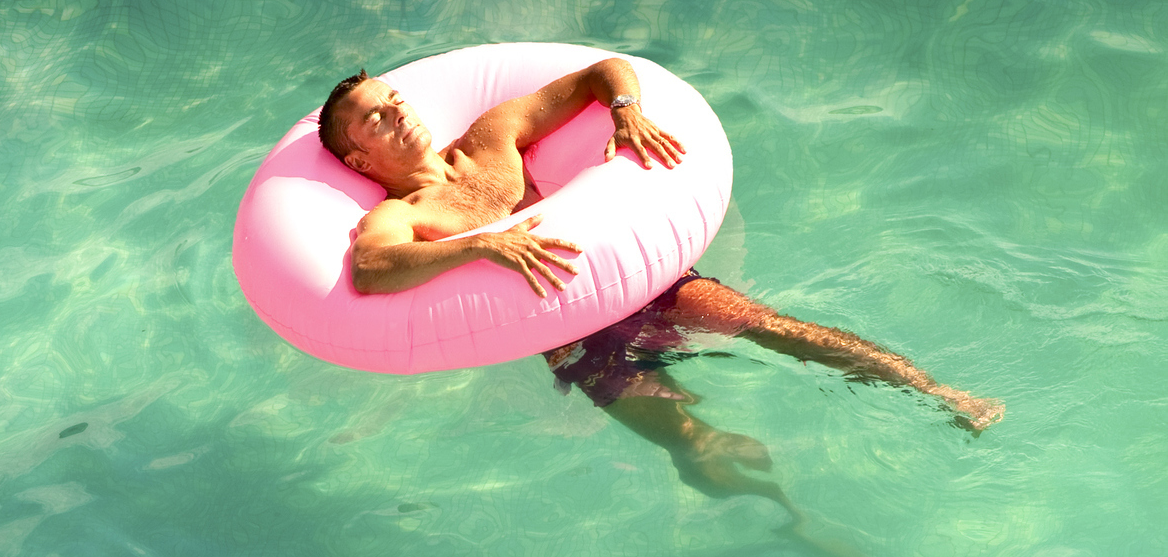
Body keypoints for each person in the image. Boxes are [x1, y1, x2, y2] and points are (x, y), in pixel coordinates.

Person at [316, 58, 1005, 533]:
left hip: (645, 285)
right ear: (358, 161)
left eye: (393, 99)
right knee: (698, 445)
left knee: (779, 328)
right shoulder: (403, 213)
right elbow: (370, 270)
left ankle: (941, 394)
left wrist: (625, 113)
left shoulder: (492, 137)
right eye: (374, 119)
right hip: (574, 338)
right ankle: (792, 515)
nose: (396, 112)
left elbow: (599, 74)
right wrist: (478, 243)